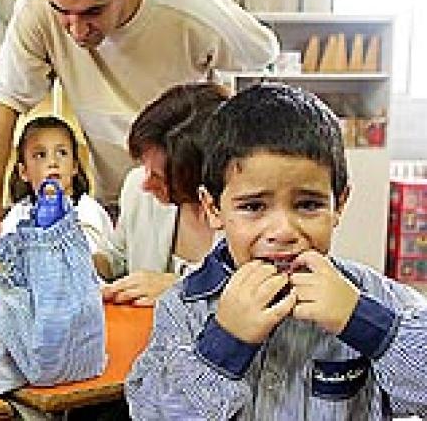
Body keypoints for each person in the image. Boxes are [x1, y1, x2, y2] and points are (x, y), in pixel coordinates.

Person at [0, 0, 278, 281]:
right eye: (62, 11)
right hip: (128, 195)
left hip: (190, 192)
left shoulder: (189, 9)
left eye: (93, 12)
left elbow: (262, 59)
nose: (76, 30)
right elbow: (4, 103)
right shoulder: (36, 8)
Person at [125, 83, 427, 419]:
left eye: (308, 205)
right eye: (253, 206)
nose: (283, 231)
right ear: (213, 208)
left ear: (339, 204)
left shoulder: (373, 296)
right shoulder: (184, 307)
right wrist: (224, 345)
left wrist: (365, 323)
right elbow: (151, 412)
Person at [96, 82, 230, 306]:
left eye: (160, 177)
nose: (146, 184)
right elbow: (118, 259)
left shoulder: (246, 215)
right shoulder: (138, 189)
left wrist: (181, 288)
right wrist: (81, 261)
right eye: (145, 167)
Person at [1, 116, 113, 256]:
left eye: (62, 153)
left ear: (75, 166)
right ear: (24, 171)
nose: (53, 162)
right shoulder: (17, 216)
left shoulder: (89, 211)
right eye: (40, 155)